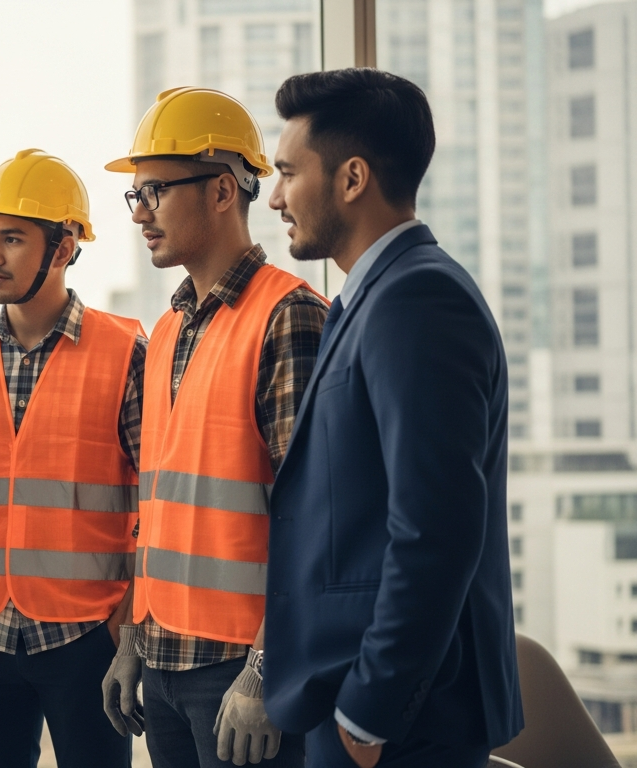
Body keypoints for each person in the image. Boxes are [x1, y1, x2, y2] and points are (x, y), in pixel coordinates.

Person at [263, 69, 523, 768]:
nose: (276, 196)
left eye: (289, 172)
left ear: (352, 178)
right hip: (358, 700)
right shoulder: (373, 297)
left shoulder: (418, 300)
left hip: (399, 720)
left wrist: (368, 712)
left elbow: (436, 528)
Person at [101, 88, 326, 767]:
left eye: (157, 192)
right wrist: (134, 639)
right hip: (165, 662)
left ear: (223, 190)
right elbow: (160, 503)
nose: (141, 214)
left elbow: (314, 517)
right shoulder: (168, 329)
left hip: (239, 670)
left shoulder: (289, 317)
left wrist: (267, 669)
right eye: (134, 196)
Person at [0, 148, 147, 768]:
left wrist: (124, 624)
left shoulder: (127, 352)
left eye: (13, 239)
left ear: (65, 244)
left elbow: (158, 503)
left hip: (86, 637)